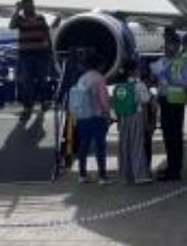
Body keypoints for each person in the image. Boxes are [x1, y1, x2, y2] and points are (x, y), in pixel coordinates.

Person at [66, 49, 111, 183]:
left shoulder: (82, 78)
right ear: (99, 65)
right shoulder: (99, 78)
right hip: (97, 116)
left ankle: (82, 175)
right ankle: (102, 176)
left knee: (83, 145)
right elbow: (104, 100)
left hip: (82, 117)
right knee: (100, 146)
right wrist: (107, 113)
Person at [10, 0, 54, 120]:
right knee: (26, 82)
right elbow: (12, 25)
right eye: (26, 6)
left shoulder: (40, 18)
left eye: (31, 5)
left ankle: (44, 101)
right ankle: (28, 107)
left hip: (41, 54)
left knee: (42, 80)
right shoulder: (20, 19)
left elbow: (46, 34)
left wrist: (50, 51)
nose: (30, 8)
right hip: (25, 55)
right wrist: (16, 10)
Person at [154, 34, 187, 180]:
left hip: (175, 103)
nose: (166, 47)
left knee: (174, 137)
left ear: (176, 46)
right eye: (166, 44)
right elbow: (158, 80)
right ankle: (172, 166)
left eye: (169, 44)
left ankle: (174, 171)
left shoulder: (183, 62)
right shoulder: (162, 61)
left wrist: (171, 79)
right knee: (168, 138)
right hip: (164, 101)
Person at [111, 64, 153, 183]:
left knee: (124, 146)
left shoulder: (119, 86)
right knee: (137, 144)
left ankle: (126, 175)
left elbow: (116, 104)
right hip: (136, 115)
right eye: (138, 69)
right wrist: (146, 122)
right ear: (133, 71)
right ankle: (140, 175)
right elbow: (145, 102)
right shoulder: (139, 85)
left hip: (123, 117)